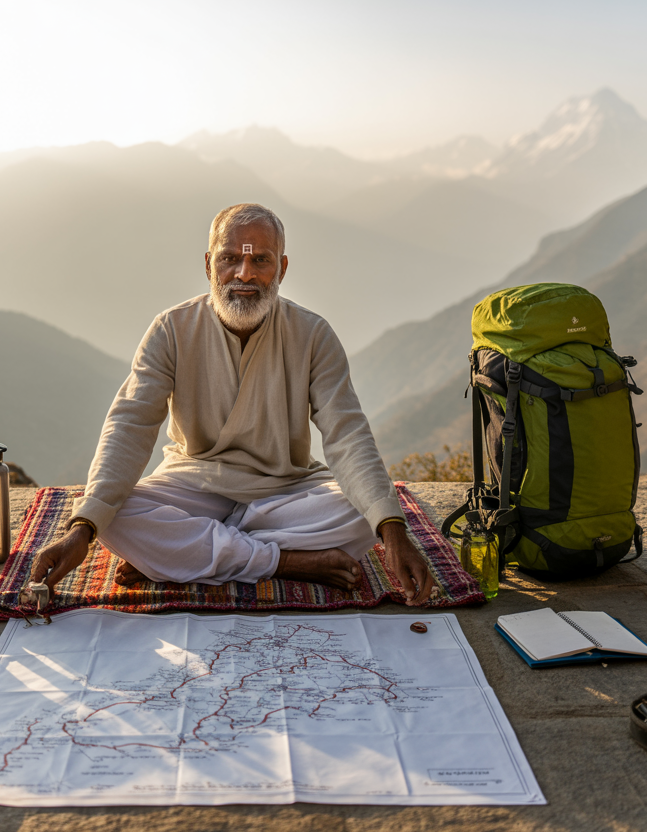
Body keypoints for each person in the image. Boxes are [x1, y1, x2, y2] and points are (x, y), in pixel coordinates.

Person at [30, 203, 436, 606]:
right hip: (194, 482)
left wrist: (392, 530)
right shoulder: (172, 329)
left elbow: (347, 434)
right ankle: (286, 561)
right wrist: (82, 529)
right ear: (209, 265)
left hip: (286, 488)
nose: (245, 274)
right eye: (230, 259)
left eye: (261, 260)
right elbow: (130, 425)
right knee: (111, 516)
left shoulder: (313, 335)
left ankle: (187, 555)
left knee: (366, 516)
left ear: (282, 268)